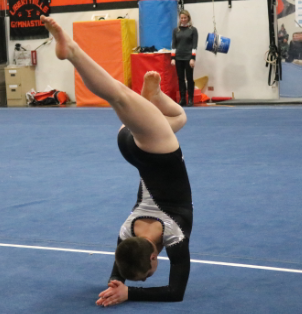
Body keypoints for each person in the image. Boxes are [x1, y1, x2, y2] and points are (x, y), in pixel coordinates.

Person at [40, 16, 193, 306]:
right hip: (130, 147)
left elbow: (175, 292)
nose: (150, 275)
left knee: (119, 95)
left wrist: (127, 291)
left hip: (156, 151)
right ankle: (152, 99)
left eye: (148, 273)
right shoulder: (127, 231)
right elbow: (121, 267)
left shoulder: (175, 233)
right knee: (179, 118)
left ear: (152, 257)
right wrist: (120, 284)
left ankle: (71, 51)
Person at [171, 10, 198, 107]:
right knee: (180, 78)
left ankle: (190, 98)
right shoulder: (176, 30)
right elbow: (174, 45)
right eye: (181, 18)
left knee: (189, 78)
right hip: (178, 57)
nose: (183, 20)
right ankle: (183, 99)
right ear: (179, 19)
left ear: (188, 18)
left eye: (185, 18)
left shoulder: (193, 30)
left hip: (188, 57)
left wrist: (192, 58)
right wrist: (173, 58)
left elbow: (194, 45)